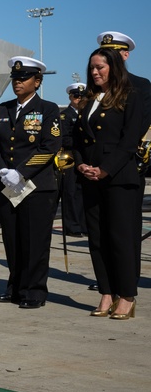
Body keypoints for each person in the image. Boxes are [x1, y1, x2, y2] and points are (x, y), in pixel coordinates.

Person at [0, 57, 61, 308]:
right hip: (7, 184)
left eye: (23, 78)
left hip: (36, 187)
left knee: (35, 241)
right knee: (12, 238)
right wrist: (2, 171)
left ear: (37, 81)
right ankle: (15, 287)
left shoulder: (48, 109)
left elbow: (49, 146)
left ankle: (34, 291)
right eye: (15, 79)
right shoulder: (4, 109)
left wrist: (22, 172)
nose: (17, 83)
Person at [76, 47, 145, 320]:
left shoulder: (131, 96)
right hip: (91, 177)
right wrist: (81, 164)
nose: (94, 72)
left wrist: (105, 169)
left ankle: (127, 295)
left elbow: (130, 140)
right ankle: (106, 291)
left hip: (119, 178)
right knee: (97, 238)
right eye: (92, 68)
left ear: (114, 67)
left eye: (100, 68)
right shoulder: (89, 100)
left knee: (120, 237)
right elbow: (79, 139)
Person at [57, 83, 88, 237]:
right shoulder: (65, 116)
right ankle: (72, 227)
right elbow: (62, 138)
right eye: (76, 96)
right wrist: (80, 141)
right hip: (69, 158)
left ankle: (83, 225)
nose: (79, 99)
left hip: (84, 157)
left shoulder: (87, 114)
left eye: (82, 96)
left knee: (83, 192)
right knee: (70, 192)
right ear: (70, 97)